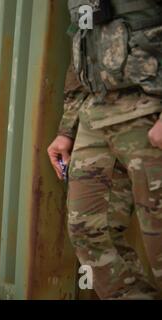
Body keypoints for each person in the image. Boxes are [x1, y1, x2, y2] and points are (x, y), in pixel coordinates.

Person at [48, 0, 162, 299]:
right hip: (95, 113)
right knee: (90, 232)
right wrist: (66, 129)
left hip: (150, 109)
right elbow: (82, 43)